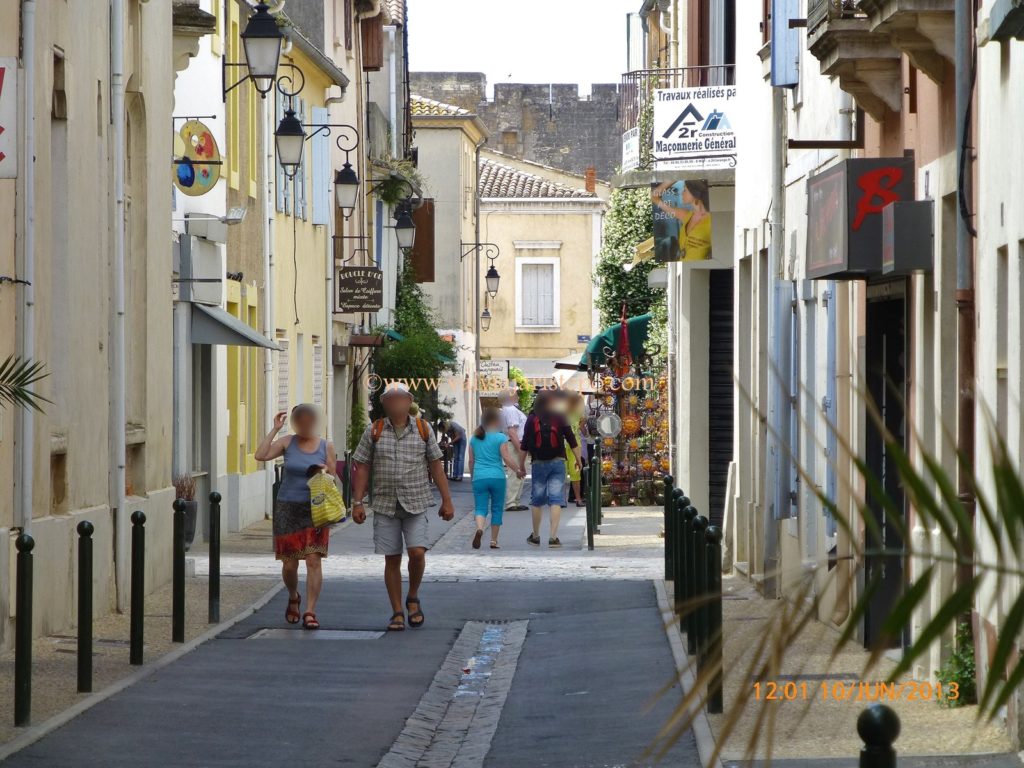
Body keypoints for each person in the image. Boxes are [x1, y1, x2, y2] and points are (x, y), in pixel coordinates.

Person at [351, 383, 455, 632]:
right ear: (385, 403)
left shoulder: (423, 429)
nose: (396, 403)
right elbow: (362, 465)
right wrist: (357, 502)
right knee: (392, 558)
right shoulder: (374, 430)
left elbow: (435, 465)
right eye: (391, 399)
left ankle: (413, 596)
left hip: (416, 501)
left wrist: (447, 500)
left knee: (417, 552)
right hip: (385, 502)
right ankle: (397, 611)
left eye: (400, 398)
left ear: (409, 402)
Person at [254, 404, 336, 630]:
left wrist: (324, 471)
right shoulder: (288, 442)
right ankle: (293, 595)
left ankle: (310, 611)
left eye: (310, 419)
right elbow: (260, 455)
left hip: (315, 509)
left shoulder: (325, 445)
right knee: (289, 565)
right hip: (287, 508)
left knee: (313, 560)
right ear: (295, 421)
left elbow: (334, 478)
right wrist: (275, 429)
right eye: (301, 419)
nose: (306, 423)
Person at [519, 390, 582, 548]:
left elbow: (524, 444)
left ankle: (536, 536)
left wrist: (520, 466)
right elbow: (571, 439)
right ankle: (553, 538)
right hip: (558, 461)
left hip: (538, 462)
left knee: (537, 500)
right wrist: (578, 460)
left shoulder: (532, 418)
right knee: (556, 499)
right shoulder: (560, 416)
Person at [468, 407, 523, 549]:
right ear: (496, 421)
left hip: (479, 477)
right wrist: (517, 470)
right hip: (497, 477)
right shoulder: (501, 438)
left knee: (480, 507)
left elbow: (471, 461)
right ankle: (493, 540)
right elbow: (506, 458)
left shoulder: (474, 439)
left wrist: (473, 476)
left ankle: (480, 528)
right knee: (497, 508)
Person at [499, 390, 529, 512]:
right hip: (515, 443)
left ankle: (515, 501)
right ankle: (511, 502)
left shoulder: (508, 409)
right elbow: (512, 431)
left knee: (518, 473)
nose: (517, 396)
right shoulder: (510, 409)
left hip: (515, 443)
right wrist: (520, 449)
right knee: (516, 472)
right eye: (515, 394)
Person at [679, 180, 712, 262]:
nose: (682, 193)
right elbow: (655, 197)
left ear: (694, 193)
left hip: (699, 269)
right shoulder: (687, 215)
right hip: (683, 266)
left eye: (685, 190)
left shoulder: (711, 220)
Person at [564, 393, 586, 507]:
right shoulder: (575, 413)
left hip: (567, 443)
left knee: (573, 471)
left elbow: (582, 424)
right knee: (574, 471)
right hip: (573, 443)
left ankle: (572, 498)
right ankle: (577, 499)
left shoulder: (564, 413)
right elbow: (582, 425)